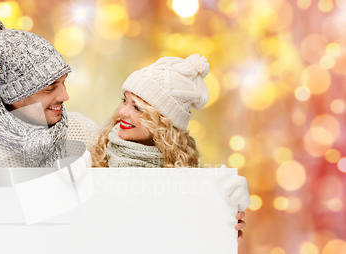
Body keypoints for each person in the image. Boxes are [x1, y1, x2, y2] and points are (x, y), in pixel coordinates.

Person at [0, 21, 248, 254]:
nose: (65, 96)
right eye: (51, 87)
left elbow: (144, 183)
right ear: (18, 94)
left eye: (64, 82)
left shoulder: (84, 132)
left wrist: (214, 210)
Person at [91, 55, 250, 239]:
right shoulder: (95, 150)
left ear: (163, 123)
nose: (122, 112)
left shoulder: (186, 177)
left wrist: (225, 216)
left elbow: (189, 241)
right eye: (124, 100)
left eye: (137, 108)